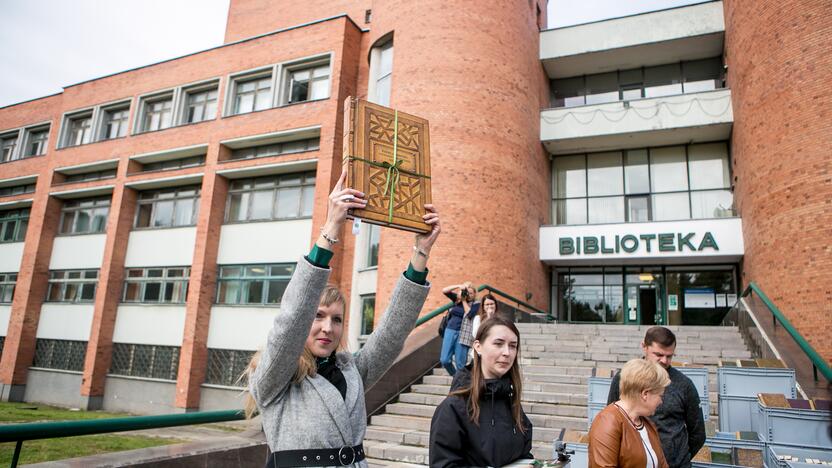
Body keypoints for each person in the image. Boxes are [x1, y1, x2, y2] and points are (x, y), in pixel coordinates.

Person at [245, 170, 441, 468]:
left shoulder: (351, 371)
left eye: (337, 320)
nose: (328, 328)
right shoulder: (276, 375)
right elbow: (293, 317)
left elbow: (391, 333)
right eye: (318, 316)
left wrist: (421, 252)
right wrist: (331, 228)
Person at [429, 316, 534, 468]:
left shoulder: (511, 402)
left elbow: (523, 455)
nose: (507, 352)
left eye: (513, 346)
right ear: (478, 347)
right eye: (498, 344)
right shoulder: (453, 408)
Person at [606, 327, 706, 468]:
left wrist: (678, 457)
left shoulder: (684, 385)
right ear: (644, 347)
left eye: (670, 356)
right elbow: (611, 420)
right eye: (658, 354)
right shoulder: (623, 378)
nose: (664, 361)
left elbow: (698, 433)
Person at [589, 358, 671, 468]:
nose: (661, 401)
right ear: (645, 394)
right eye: (660, 396)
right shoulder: (607, 421)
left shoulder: (648, 425)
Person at [439, 282, 477, 376]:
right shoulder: (457, 299)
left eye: (471, 293)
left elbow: (469, 314)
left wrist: (464, 300)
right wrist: (458, 286)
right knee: (444, 360)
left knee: (460, 364)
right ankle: (457, 378)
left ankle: (460, 383)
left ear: (475, 294)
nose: (468, 295)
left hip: (464, 335)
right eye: (467, 292)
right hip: (450, 330)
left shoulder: (476, 304)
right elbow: (444, 290)